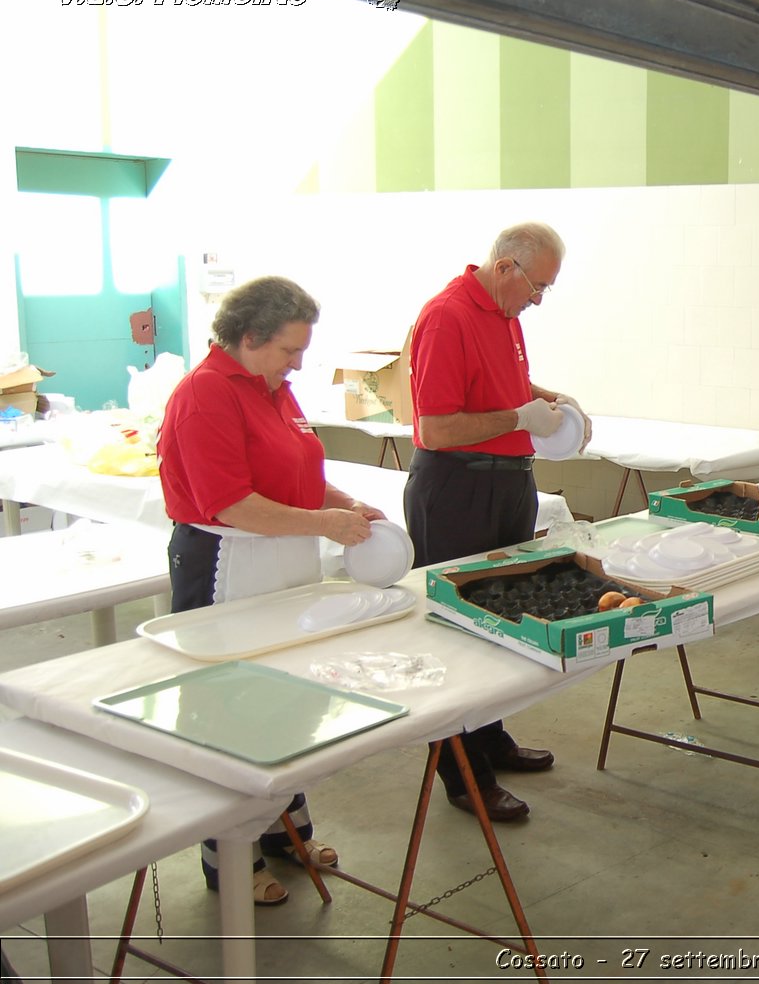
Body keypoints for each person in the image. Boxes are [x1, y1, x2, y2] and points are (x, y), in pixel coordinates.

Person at [159, 275, 385, 905]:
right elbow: (231, 503)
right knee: (230, 709)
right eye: (289, 350)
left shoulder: (272, 389)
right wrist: (324, 524)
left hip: (281, 557)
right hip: (228, 560)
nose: (298, 364)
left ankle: (288, 830)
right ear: (249, 338)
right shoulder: (206, 394)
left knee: (291, 697)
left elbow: (295, 473)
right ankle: (230, 854)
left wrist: (347, 505)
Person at [404, 221, 591, 823]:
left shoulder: (504, 315)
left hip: (507, 480)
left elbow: (501, 388)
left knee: (503, 617)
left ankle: (490, 738)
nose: (538, 299)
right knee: (461, 631)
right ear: (506, 268)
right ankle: (464, 776)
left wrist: (547, 400)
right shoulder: (447, 317)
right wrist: (519, 415)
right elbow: (437, 427)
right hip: (458, 486)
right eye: (538, 286)